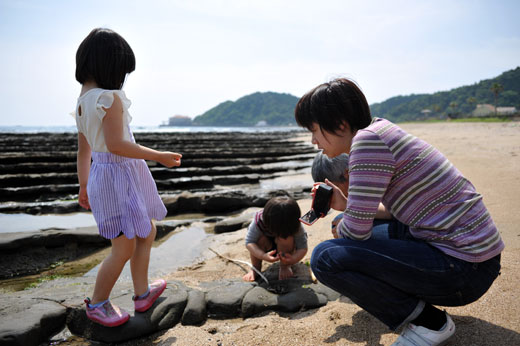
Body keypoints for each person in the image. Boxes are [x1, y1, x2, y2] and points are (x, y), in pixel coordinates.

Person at [296, 78, 504, 346]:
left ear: (340, 124)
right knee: (342, 223)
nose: (313, 141)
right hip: (475, 254)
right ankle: (416, 305)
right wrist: (347, 206)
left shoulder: (366, 144)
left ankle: (430, 323)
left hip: (465, 268)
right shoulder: (380, 131)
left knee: (325, 257)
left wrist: (348, 221)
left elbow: (356, 233)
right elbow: (399, 209)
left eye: (314, 130)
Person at [75, 28, 182, 327]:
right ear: (110, 65)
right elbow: (117, 145)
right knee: (123, 246)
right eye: (122, 70)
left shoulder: (83, 101)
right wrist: (159, 155)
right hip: (116, 178)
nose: (123, 77)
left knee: (145, 232)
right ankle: (97, 303)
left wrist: (84, 185)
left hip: (103, 177)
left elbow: (84, 152)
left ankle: (142, 293)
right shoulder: (110, 98)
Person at [311, 152, 392, 238]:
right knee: (341, 221)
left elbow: (392, 211)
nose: (334, 193)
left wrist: (348, 207)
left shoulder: (374, 176)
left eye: (334, 188)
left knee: (345, 228)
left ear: (347, 174)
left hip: (404, 225)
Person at [243, 196, 308, 281]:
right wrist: (262, 255)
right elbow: (249, 242)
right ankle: (256, 268)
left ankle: (284, 266)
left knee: (286, 238)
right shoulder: (259, 221)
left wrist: (293, 259)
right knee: (259, 241)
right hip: (267, 245)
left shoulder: (295, 225)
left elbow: (302, 247)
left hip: (287, 248)